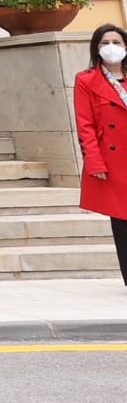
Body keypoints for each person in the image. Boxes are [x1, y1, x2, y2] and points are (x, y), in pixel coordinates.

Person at [75, 25, 127, 284]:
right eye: (105, 42)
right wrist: (94, 160)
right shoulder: (86, 80)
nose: (111, 46)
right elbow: (85, 124)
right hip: (114, 160)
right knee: (122, 220)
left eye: (116, 41)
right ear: (97, 48)